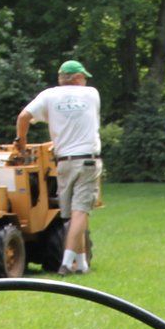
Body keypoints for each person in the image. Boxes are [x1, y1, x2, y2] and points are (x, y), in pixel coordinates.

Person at [14, 59, 100, 275]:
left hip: (63, 162)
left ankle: (81, 264)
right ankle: (66, 262)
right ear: (79, 78)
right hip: (87, 160)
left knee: (72, 214)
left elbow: (24, 116)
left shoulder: (49, 96)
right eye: (84, 77)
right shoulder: (91, 94)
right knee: (81, 212)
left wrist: (21, 141)